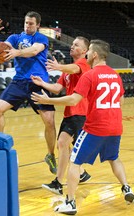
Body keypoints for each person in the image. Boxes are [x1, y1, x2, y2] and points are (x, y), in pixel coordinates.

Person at [31, 39, 134, 215]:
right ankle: (126, 188)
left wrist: (48, 100)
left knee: (75, 162)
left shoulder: (90, 74)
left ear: (94, 54)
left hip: (96, 126)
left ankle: (70, 203)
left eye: (88, 52)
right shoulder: (115, 75)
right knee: (114, 158)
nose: (86, 55)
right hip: (116, 125)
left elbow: (73, 99)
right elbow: (121, 100)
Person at [0, 11, 57, 174]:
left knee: (49, 121)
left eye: (31, 24)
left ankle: (50, 154)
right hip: (19, 82)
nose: (28, 26)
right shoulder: (15, 38)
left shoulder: (41, 38)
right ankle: (0, 150)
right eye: (26, 23)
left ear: (38, 25)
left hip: (38, 82)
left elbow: (34, 51)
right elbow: (3, 49)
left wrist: (17, 52)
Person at [31, 36, 91, 196]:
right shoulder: (66, 72)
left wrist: (58, 66)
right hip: (70, 113)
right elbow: (57, 88)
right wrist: (42, 84)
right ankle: (77, 175)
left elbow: (74, 69)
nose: (72, 47)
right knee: (63, 144)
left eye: (76, 45)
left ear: (84, 51)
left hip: (82, 113)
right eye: (72, 44)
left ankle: (61, 182)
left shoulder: (83, 65)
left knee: (69, 148)